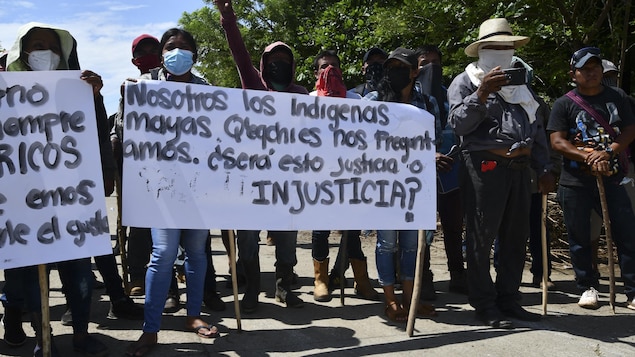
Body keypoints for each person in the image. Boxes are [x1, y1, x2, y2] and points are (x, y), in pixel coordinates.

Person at [3, 22, 117, 357]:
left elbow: (98, 133)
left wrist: (107, 171)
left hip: (73, 200)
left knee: (79, 273)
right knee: (26, 276)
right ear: (22, 52)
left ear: (64, 52)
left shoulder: (80, 88)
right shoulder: (5, 91)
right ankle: (43, 336)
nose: (44, 53)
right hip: (23, 204)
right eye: (36, 45)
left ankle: (81, 335)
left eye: (52, 47)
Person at [447, 18, 555, 329]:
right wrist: (481, 93)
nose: (501, 52)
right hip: (485, 169)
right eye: (494, 47)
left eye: (506, 47)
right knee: (482, 237)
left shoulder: (522, 85)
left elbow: (535, 129)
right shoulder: (465, 81)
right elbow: (458, 125)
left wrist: (544, 166)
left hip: (520, 170)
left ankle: (509, 299)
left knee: (515, 238)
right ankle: (484, 303)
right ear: (481, 51)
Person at [125, 28, 220, 357]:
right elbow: (126, 131)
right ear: (163, 53)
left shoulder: (205, 89)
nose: (177, 52)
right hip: (160, 187)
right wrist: (130, 100)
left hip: (197, 187)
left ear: (194, 54)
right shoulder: (144, 86)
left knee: (196, 253)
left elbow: (219, 134)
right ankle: (150, 330)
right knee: (163, 254)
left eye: (184, 47)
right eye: (171, 47)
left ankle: (193, 316)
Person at [216, 0, 307, 312]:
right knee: (248, 241)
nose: (278, 65)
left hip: (286, 182)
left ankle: (284, 286)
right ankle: (252, 289)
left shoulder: (301, 95)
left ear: (292, 65)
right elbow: (239, 54)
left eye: (285, 60)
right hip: (251, 181)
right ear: (264, 63)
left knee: (286, 241)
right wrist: (228, 17)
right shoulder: (253, 85)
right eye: (273, 60)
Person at [547, 47, 635, 311]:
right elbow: (557, 140)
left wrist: (608, 152)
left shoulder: (617, 96)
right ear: (574, 74)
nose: (592, 72)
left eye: (595, 67)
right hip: (576, 181)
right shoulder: (564, 103)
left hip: (614, 177)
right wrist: (587, 156)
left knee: (626, 233)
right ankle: (587, 286)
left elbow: (630, 130)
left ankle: (632, 291)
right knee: (579, 236)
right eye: (585, 69)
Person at [363, 47, 437, 322]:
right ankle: (391, 301)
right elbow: (360, 139)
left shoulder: (427, 103)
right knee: (387, 244)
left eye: (401, 67)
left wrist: (434, 155)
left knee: (412, 245)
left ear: (414, 71)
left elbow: (436, 140)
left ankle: (410, 300)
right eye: (390, 67)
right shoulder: (373, 100)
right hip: (383, 184)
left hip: (417, 186)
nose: (394, 72)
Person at [308, 50, 378, 302]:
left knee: (351, 231)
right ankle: (321, 280)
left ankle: (361, 281)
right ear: (316, 73)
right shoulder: (308, 101)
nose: (330, 70)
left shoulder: (355, 100)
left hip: (350, 177)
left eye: (334, 66)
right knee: (320, 231)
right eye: (324, 67)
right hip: (319, 178)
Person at [414, 44, 467, 299]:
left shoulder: (452, 95)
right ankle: (423, 278)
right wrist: (426, 156)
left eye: (435, 62)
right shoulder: (410, 99)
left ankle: (458, 275)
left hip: (451, 171)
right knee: (422, 230)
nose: (430, 68)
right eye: (424, 63)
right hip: (419, 175)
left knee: (454, 227)